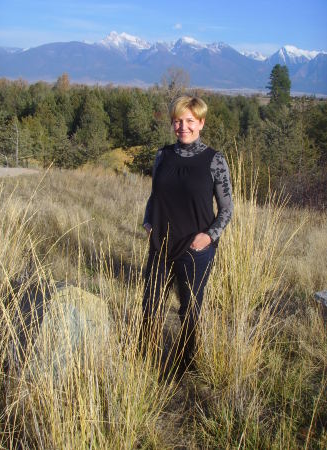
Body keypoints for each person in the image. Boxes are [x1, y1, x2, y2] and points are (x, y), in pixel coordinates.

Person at [141, 95, 233, 376]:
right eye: (178, 121)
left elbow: (227, 208)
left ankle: (186, 362)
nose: (183, 127)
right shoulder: (163, 155)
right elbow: (155, 195)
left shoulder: (214, 160)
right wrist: (148, 221)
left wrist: (208, 237)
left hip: (196, 247)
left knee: (189, 308)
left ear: (201, 123)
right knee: (151, 303)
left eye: (190, 121)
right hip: (161, 244)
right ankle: (145, 356)